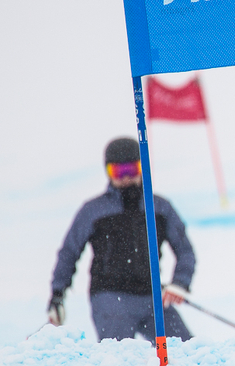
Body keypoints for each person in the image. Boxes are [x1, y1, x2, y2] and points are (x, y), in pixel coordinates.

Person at [48, 137, 196, 342]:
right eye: (118, 171)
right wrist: (58, 293)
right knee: (118, 356)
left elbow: (185, 250)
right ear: (108, 172)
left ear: (142, 168)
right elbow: (69, 252)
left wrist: (180, 282)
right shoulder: (93, 211)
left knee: (185, 349)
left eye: (132, 170)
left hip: (152, 297)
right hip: (110, 298)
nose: (126, 177)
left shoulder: (159, 207)